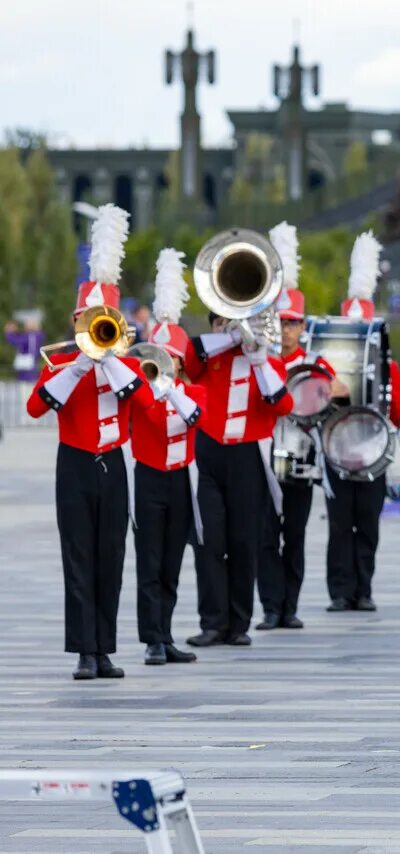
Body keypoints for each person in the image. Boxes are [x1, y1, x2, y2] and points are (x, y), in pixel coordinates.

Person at [26, 204, 153, 680]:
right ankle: (84, 650)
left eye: (106, 319)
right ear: (78, 319)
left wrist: (110, 359)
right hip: (75, 465)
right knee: (78, 556)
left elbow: (143, 403)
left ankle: (105, 649)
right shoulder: (61, 367)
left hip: (113, 466)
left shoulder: (128, 365)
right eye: (90, 319)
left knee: (111, 557)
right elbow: (36, 407)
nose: (98, 325)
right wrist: (80, 364)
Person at [184, 250, 294, 649]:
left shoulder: (267, 360)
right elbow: (189, 356)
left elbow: (281, 404)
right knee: (209, 540)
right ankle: (212, 621)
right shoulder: (207, 352)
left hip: (248, 456)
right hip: (209, 453)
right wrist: (227, 336)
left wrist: (259, 357)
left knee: (244, 541)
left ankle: (239, 623)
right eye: (221, 317)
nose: (230, 323)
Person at [257, 222, 342, 629]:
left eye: (292, 323)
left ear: (302, 326)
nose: (286, 330)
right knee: (264, 536)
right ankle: (270, 607)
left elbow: (339, 389)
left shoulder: (313, 362)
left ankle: (288, 607)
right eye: (281, 321)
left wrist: (316, 381)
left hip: (302, 462)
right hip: (264, 458)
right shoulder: (261, 360)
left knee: (296, 535)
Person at [324, 233, 400, 614]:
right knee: (340, 525)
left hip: (374, 451)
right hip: (337, 449)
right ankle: (340, 590)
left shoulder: (388, 367)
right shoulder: (324, 367)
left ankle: (364, 588)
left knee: (368, 525)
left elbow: (399, 411)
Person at [131, 248, 203, 666]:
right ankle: (151, 638)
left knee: (173, 562)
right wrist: (154, 386)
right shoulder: (142, 395)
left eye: (171, 359)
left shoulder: (189, 392)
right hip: (149, 478)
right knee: (150, 562)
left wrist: (172, 387)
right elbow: (154, 426)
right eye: (159, 359)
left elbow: (193, 418)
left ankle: (167, 633)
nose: (164, 365)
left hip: (179, 480)